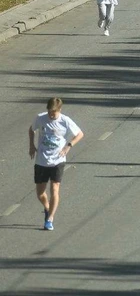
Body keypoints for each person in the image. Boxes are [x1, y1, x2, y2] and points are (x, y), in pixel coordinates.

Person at [29, 97, 84, 231]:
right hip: (42, 160)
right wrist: (31, 145)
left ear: (59, 110)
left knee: (55, 188)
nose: (51, 114)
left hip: (58, 161)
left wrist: (68, 146)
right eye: (49, 111)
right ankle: (47, 208)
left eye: (53, 112)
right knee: (40, 194)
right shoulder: (40, 118)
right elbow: (31, 130)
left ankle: (50, 219)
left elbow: (80, 134)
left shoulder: (65, 121)